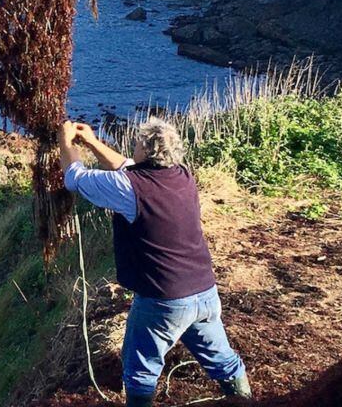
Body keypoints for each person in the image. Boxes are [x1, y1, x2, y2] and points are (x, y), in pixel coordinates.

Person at [57, 117, 251, 407]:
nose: (133, 147)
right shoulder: (183, 176)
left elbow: (74, 178)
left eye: (137, 143)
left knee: (140, 372)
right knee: (224, 361)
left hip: (163, 299)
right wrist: (93, 143)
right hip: (204, 292)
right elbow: (126, 167)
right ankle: (246, 401)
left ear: (146, 151)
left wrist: (66, 140)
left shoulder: (130, 188)